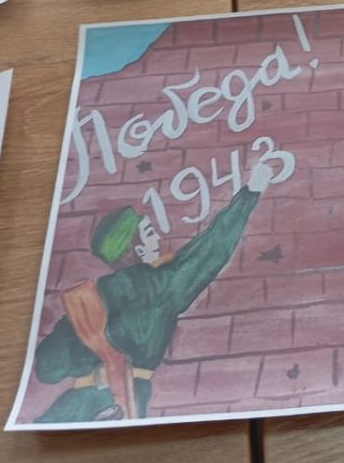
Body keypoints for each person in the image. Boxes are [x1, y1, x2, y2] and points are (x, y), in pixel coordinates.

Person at [33, 154, 285, 422]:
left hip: (71, 410)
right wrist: (251, 192)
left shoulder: (86, 299)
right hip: (119, 406)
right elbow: (209, 250)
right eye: (150, 234)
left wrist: (91, 361)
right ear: (135, 249)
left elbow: (48, 369)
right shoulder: (157, 288)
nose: (158, 240)